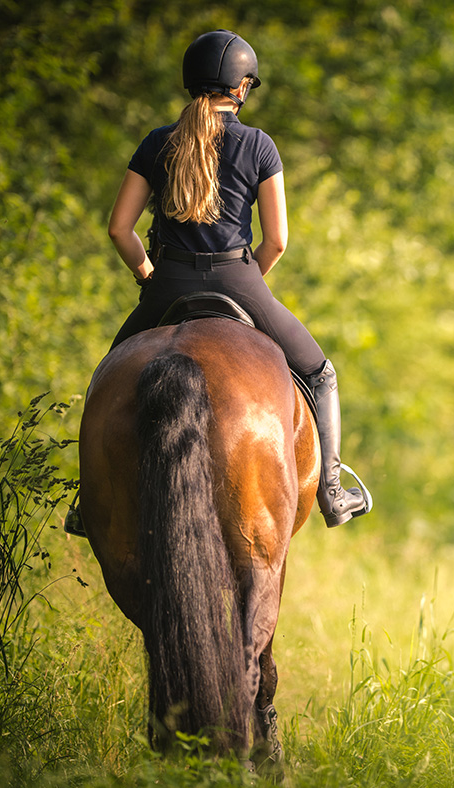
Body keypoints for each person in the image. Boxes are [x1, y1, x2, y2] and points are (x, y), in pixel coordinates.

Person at [105, 29, 368, 528]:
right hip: (239, 280)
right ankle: (333, 492)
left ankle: (87, 497)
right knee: (320, 373)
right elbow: (277, 242)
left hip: (168, 285)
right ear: (241, 88)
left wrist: (148, 276)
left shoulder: (157, 143)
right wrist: (246, 281)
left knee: (109, 376)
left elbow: (120, 229)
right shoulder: (259, 145)